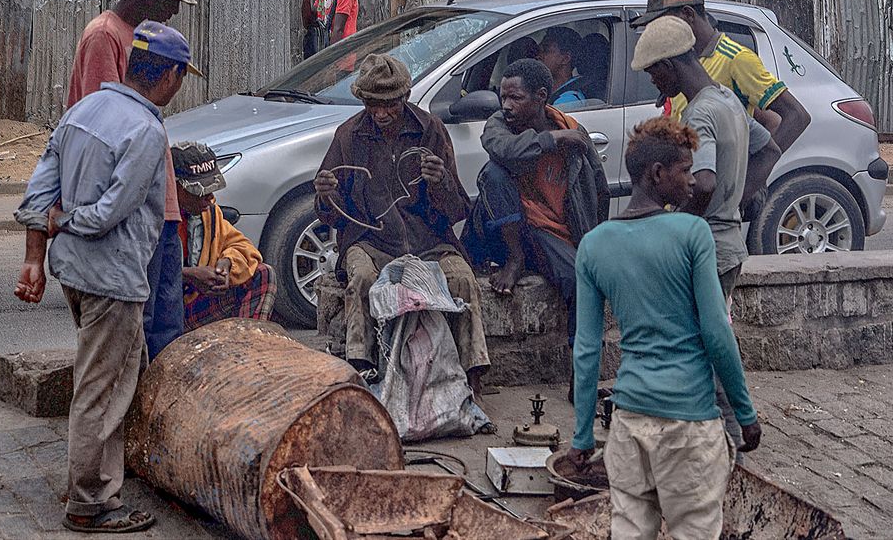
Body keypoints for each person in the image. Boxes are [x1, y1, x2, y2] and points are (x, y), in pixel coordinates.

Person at [14, 22, 200, 534]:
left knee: (109, 376)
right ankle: (90, 500)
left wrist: (44, 240)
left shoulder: (83, 111)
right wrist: (66, 220)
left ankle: (99, 476)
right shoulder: (144, 129)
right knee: (102, 387)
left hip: (74, 269)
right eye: (181, 76)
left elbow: (36, 194)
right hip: (110, 274)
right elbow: (109, 212)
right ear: (171, 76)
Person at [568, 117, 761, 539]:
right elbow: (716, 332)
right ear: (658, 175)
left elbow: (586, 349)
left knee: (631, 530)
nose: (693, 182)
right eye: (686, 171)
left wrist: (582, 435)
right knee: (694, 529)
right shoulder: (693, 232)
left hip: (629, 423)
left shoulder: (594, 245)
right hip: (689, 428)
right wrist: (745, 413)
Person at [632, 14, 777, 457]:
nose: (655, 81)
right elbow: (768, 147)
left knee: (703, 345)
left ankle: (729, 436)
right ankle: (727, 428)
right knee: (716, 335)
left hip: (708, 248)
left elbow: (706, 182)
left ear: (672, 66)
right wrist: (735, 203)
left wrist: (681, 225)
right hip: (728, 241)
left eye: (656, 72)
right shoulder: (728, 100)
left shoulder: (700, 113)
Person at [313, 53, 490, 393]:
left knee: (463, 280)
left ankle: (472, 379)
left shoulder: (430, 130)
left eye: (388, 104)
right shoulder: (349, 136)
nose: (380, 113)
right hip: (370, 241)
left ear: (404, 98)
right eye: (372, 105)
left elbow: (456, 210)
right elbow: (330, 214)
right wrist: (325, 194)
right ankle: (359, 371)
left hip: (428, 241)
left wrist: (440, 182)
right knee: (361, 276)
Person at [66, 0, 198, 361]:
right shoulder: (105, 35)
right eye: (173, 0)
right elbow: (106, 128)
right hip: (131, 210)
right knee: (135, 331)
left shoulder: (137, 37)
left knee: (164, 328)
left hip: (156, 205)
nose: (175, 10)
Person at [462, 58, 609, 402]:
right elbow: (503, 150)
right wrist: (554, 139)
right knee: (493, 173)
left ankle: (582, 378)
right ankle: (515, 261)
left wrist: (596, 242)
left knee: (581, 281)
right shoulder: (501, 125)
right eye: (503, 97)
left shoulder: (574, 131)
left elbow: (598, 189)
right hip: (504, 232)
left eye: (516, 98)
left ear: (541, 96)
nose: (506, 106)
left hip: (550, 231)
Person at [634, 0, 810, 154]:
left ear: (688, 15)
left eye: (663, 22)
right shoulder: (681, 61)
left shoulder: (736, 58)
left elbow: (796, 115)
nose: (656, 31)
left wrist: (753, 171)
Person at [171, 141, 277, 329]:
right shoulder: (153, 219)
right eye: (201, 192)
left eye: (211, 191)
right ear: (175, 188)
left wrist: (226, 263)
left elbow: (242, 246)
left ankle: (248, 345)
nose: (209, 199)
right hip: (163, 315)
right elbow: (140, 277)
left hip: (194, 308)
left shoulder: (209, 213)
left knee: (262, 274)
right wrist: (187, 275)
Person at [537, 27, 586, 106]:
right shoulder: (548, 93)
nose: (539, 56)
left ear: (565, 59)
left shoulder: (568, 101)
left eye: (546, 51)